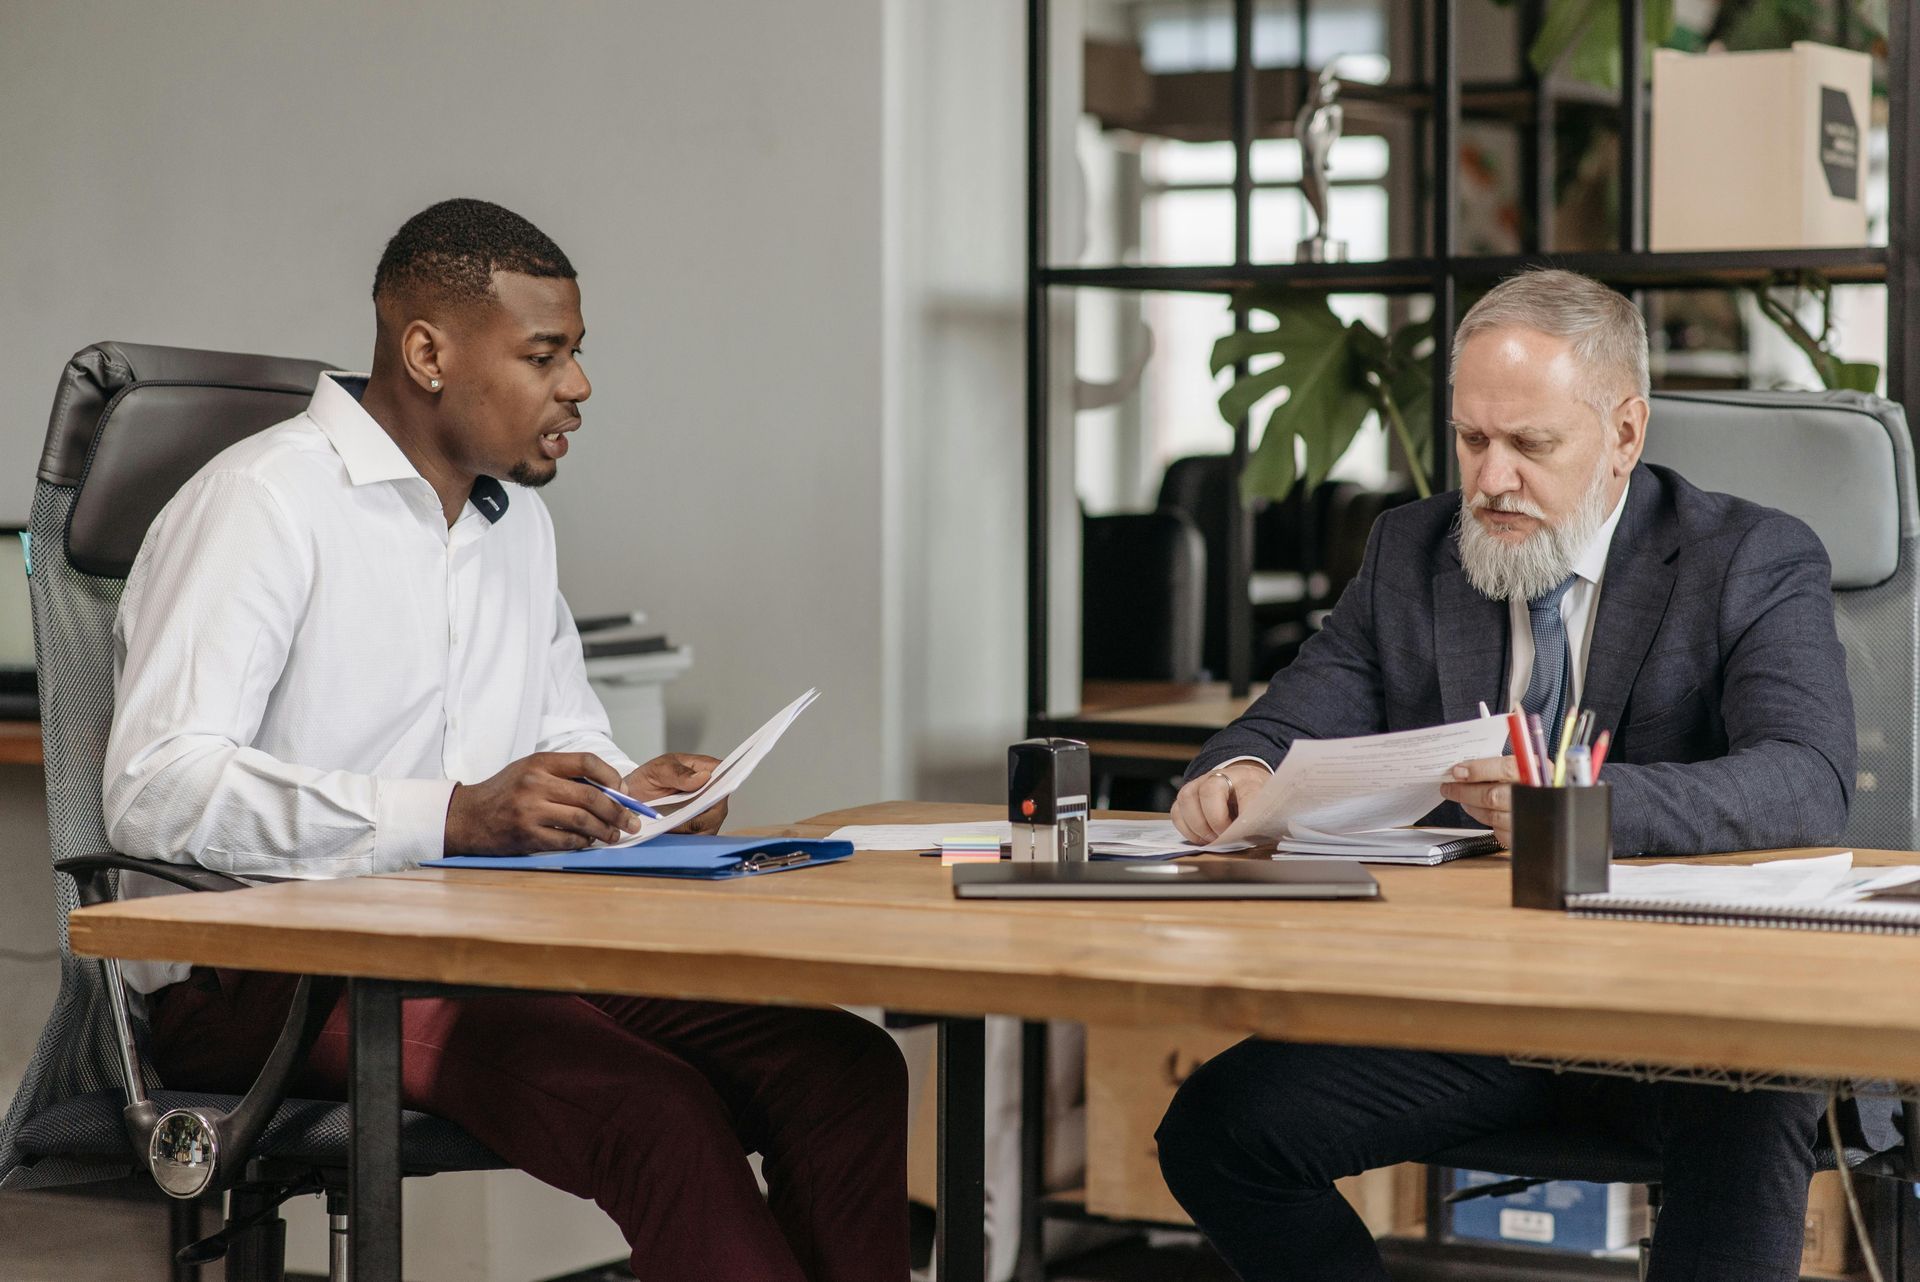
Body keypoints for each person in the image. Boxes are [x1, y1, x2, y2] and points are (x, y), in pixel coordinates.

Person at [103, 198, 908, 1282]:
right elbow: (156, 788)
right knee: (653, 1111)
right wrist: (452, 812)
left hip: (497, 946)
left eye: (576, 354)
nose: (577, 386)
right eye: (545, 354)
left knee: (842, 1066)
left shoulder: (513, 525)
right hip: (276, 977)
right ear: (428, 352)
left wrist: (628, 794)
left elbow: (560, 732)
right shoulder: (262, 506)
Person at [1157, 268, 1856, 1282]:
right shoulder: (1411, 549)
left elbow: (1806, 777)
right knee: (1218, 1131)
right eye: (1472, 439)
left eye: (1531, 444)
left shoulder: (1750, 557)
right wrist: (1238, 769)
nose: (1490, 480)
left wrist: (1578, 811)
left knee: (1757, 1098)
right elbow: (1286, 722)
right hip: (1475, 1010)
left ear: (1625, 434)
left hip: (1683, 1016)